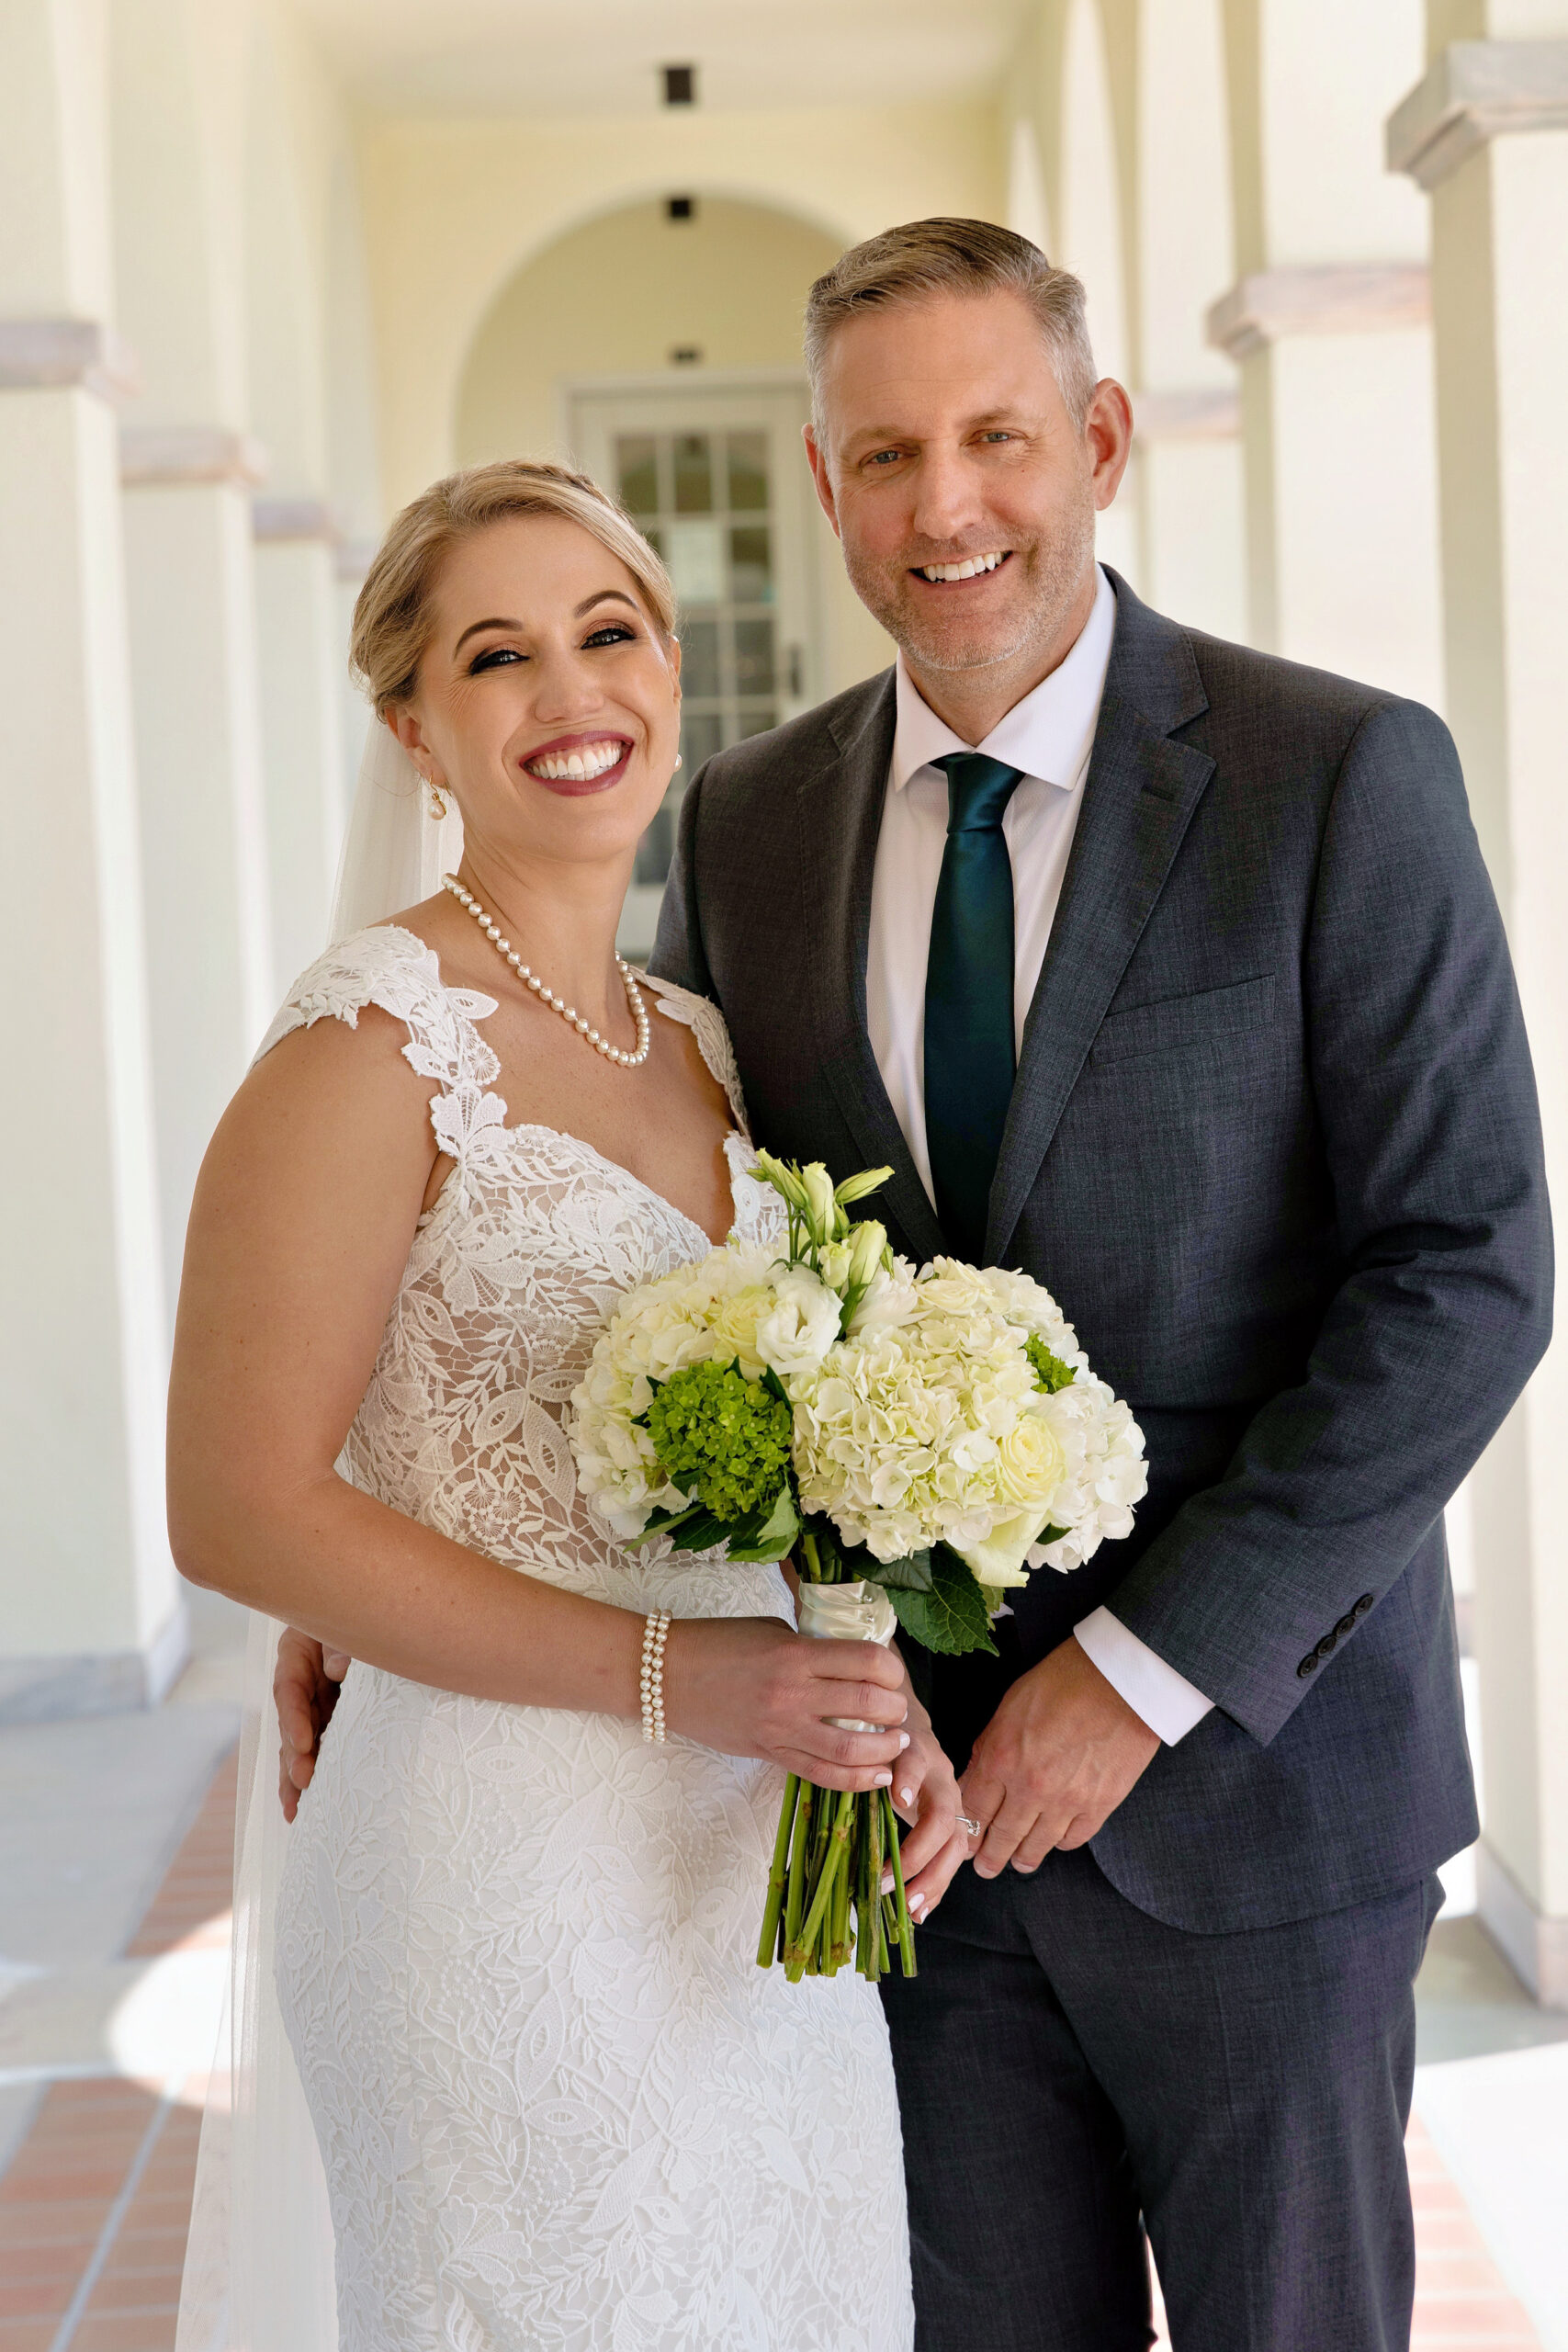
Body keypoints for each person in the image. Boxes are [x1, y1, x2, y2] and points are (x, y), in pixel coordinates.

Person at [273, 221, 1552, 2348]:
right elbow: (649, 1250)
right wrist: (370, 1545)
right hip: (886, 1833)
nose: (943, 505)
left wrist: (1136, 1673)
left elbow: (1466, 1269)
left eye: (993, 436)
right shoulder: (747, 827)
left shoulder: (1333, 776)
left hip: (1256, 1816)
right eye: (886, 454)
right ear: (824, 484)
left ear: (1099, 440)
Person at [168, 460, 968, 2351]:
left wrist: (859, 1689)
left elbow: (763, 1456)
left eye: (606, 633)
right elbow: (238, 1505)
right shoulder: (366, 1044)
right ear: (411, 721)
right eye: (496, 654)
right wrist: (679, 1678)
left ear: (669, 664)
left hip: (748, 1871)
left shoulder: (690, 1035)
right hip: (491, 1886)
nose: (569, 692)